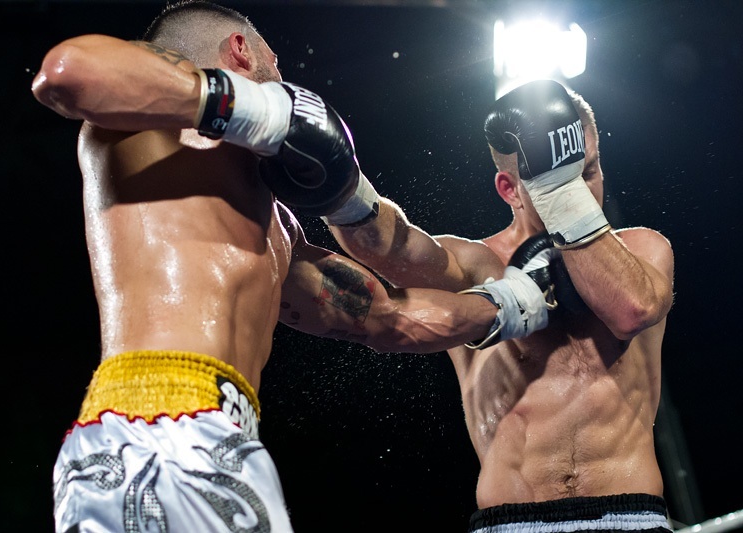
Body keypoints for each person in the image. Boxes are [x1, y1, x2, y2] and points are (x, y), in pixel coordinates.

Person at [31, 2, 553, 531]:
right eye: (276, 70)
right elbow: (67, 72)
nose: (285, 89)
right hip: (152, 422)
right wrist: (261, 108)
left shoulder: (277, 230)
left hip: (221, 438)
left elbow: (387, 318)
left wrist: (514, 304)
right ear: (242, 51)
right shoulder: (143, 124)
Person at [326, 79, 675, 532]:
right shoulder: (477, 264)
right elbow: (386, 250)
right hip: (510, 521)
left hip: (631, 514)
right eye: (558, 176)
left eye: (587, 171)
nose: (583, 190)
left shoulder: (643, 250)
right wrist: (333, 182)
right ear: (509, 189)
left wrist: (557, 189)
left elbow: (630, 309)